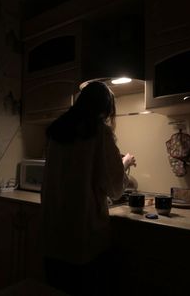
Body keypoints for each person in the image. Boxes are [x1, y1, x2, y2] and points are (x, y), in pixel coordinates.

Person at [41, 81, 136, 296]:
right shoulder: (99, 132)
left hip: (52, 238)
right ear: (105, 108)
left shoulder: (58, 131)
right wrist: (126, 162)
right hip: (83, 241)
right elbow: (114, 188)